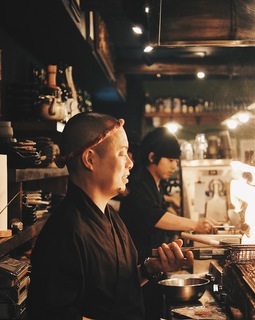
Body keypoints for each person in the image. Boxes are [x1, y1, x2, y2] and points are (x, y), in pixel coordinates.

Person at [26, 112, 194, 320]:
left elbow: (116, 288)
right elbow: (52, 314)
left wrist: (151, 269)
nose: (130, 163)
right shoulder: (64, 232)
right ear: (90, 159)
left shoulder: (110, 216)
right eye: (122, 153)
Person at [119, 126, 217, 320]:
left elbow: (161, 211)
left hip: (153, 267)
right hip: (138, 269)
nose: (174, 166)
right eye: (170, 160)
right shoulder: (139, 183)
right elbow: (156, 217)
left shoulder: (155, 184)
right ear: (152, 157)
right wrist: (194, 225)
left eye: (176, 161)